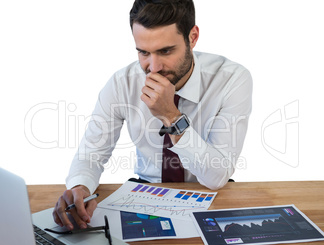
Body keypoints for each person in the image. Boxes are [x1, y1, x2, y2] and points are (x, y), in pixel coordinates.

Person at [53, 0, 252, 231]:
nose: (153, 67)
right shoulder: (122, 83)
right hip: (146, 193)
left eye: (165, 51)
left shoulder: (231, 79)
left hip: (208, 193)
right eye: (143, 52)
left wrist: (171, 116)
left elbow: (217, 177)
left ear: (193, 37)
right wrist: (80, 187)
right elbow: (90, 154)